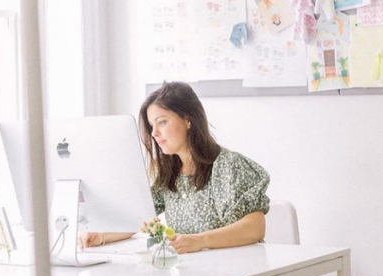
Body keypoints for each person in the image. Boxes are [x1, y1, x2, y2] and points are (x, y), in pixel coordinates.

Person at [83, 81, 272, 254]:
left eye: (162, 122)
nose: (155, 133)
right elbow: (140, 218)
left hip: (242, 273)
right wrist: (102, 236)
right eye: (151, 126)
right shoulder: (169, 175)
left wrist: (200, 241)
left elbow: (255, 227)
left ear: (188, 119)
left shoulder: (229, 166)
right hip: (202, 274)